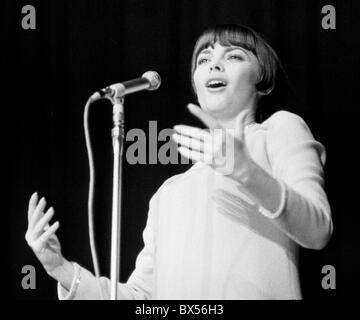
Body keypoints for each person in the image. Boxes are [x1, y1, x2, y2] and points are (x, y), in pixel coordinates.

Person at [25, 24, 333, 299]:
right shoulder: (168, 193)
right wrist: (62, 270)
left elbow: (318, 229)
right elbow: (141, 297)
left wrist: (246, 170)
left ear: (263, 80)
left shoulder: (278, 129)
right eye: (204, 60)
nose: (215, 64)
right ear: (196, 85)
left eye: (234, 56)